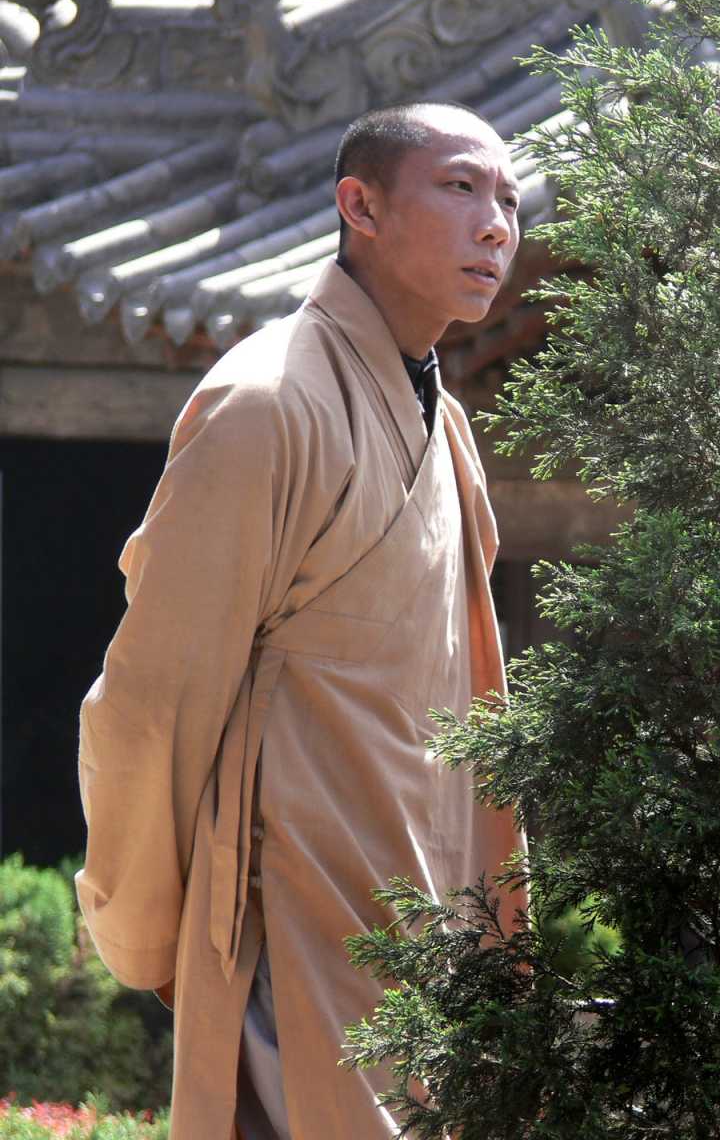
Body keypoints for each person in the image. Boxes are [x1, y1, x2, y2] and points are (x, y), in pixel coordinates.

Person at [75, 101, 527, 1138]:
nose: (497, 225)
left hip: (425, 911)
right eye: (462, 187)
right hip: (291, 909)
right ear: (359, 206)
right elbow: (154, 699)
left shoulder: (445, 424)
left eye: (509, 200)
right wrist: (150, 926)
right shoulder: (267, 403)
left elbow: (467, 702)